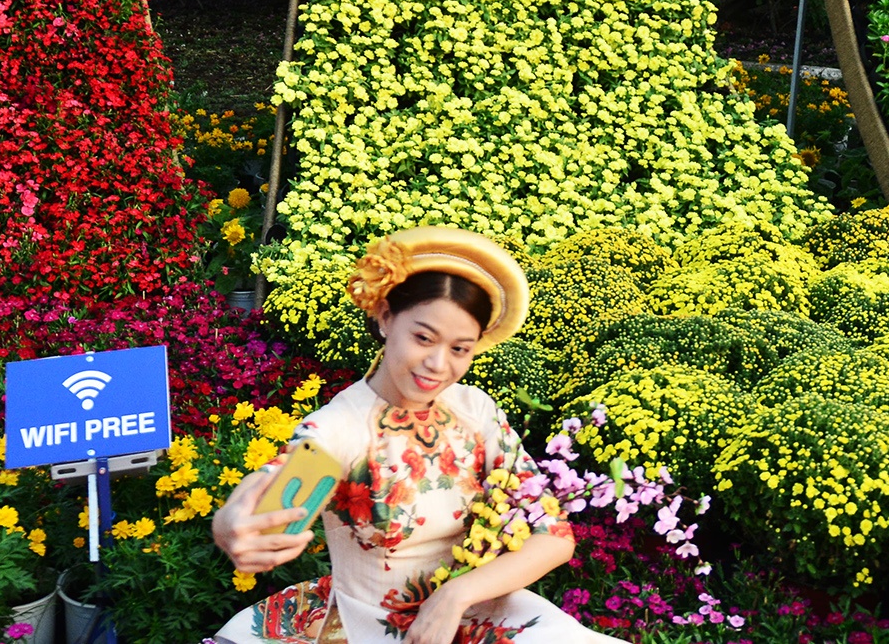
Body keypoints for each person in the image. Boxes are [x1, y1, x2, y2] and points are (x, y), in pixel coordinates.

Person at [211, 227, 619, 644]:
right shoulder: (341, 427)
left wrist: (456, 596)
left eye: (460, 349)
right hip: (371, 627)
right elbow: (272, 497)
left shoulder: (475, 411)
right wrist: (232, 523)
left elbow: (553, 535)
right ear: (386, 317)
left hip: (475, 609)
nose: (438, 364)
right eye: (423, 338)